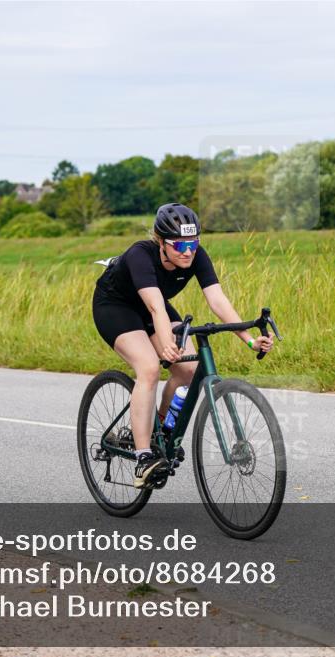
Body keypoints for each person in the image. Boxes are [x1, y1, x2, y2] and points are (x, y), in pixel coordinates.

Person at [92, 202, 274, 488]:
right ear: (161, 242)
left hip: (153, 307)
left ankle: (161, 431)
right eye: (179, 245)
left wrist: (250, 340)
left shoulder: (196, 255)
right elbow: (156, 307)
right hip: (116, 306)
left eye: (193, 243)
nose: (188, 252)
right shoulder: (141, 255)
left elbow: (217, 301)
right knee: (149, 368)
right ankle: (143, 459)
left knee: (188, 369)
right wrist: (165, 344)